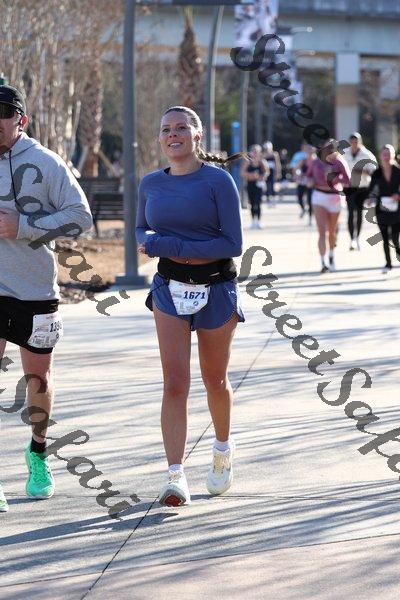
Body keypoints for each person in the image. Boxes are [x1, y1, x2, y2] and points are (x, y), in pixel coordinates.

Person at [136, 105, 245, 507]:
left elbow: (232, 243)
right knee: (174, 383)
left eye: (181, 127)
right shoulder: (150, 183)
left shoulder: (218, 181)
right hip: (169, 288)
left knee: (214, 380)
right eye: (166, 129)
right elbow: (140, 228)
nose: (173, 134)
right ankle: (174, 475)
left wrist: (171, 244)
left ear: (197, 136)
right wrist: (150, 241)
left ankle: (222, 450)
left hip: (216, 286)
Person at [0, 85, 92, 513]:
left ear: (21, 119)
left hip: (33, 289)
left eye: (3, 113)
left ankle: (38, 453)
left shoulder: (45, 162)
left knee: (37, 380)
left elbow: (79, 218)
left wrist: (24, 227)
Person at [307, 139, 351, 273]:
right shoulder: (316, 162)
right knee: (322, 232)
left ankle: (331, 255)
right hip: (319, 196)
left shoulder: (339, 162)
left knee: (332, 231)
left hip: (334, 196)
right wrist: (309, 181)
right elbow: (308, 176)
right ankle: (323, 262)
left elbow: (348, 180)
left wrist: (335, 179)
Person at [367, 144, 400, 274]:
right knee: (385, 237)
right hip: (381, 209)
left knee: (395, 237)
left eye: (389, 154)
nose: (386, 157)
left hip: (397, 209)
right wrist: (370, 198)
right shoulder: (377, 173)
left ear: (393, 156)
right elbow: (371, 190)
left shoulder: (398, 171)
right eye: (384, 154)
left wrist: (398, 194)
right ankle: (388, 263)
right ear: (380, 156)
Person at [342, 132, 377, 250]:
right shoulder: (345, 154)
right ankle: (352, 238)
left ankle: (357, 238)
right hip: (349, 187)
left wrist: (363, 171)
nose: (354, 144)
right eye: (352, 142)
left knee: (359, 212)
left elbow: (374, 172)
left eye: (356, 142)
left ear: (360, 142)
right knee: (350, 212)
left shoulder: (367, 154)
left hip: (362, 187)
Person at [240, 144, 268, 229]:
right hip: (250, 185)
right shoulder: (248, 162)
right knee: (252, 203)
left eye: (257, 152)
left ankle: (258, 221)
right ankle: (253, 221)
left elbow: (266, 172)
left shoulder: (262, 162)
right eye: (254, 151)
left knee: (258, 203)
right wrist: (251, 175)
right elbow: (242, 173)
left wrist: (261, 177)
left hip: (259, 185)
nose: (255, 153)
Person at [292, 144, 316, 224]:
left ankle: (310, 218)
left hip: (311, 183)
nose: (309, 152)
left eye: (310, 150)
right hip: (302, 182)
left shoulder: (315, 161)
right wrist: (297, 175)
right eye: (308, 150)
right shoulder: (303, 160)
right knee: (299, 197)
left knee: (310, 200)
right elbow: (296, 169)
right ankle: (303, 209)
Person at [262, 141, 281, 206]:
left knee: (273, 185)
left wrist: (278, 172)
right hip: (266, 171)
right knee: (267, 185)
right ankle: (268, 199)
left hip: (273, 171)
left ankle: (273, 199)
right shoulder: (263, 155)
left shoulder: (274, 154)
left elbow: (277, 164)